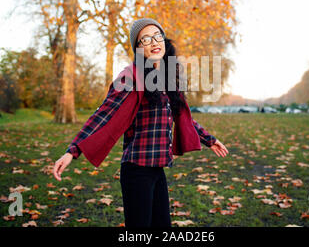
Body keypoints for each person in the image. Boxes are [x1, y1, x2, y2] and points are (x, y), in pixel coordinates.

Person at [53, 18, 229, 228]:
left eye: (157, 36)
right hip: (137, 170)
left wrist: (209, 140)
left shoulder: (165, 77)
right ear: (138, 48)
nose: (154, 42)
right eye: (145, 39)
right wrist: (72, 150)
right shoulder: (130, 77)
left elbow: (181, 114)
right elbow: (104, 114)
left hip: (157, 169)